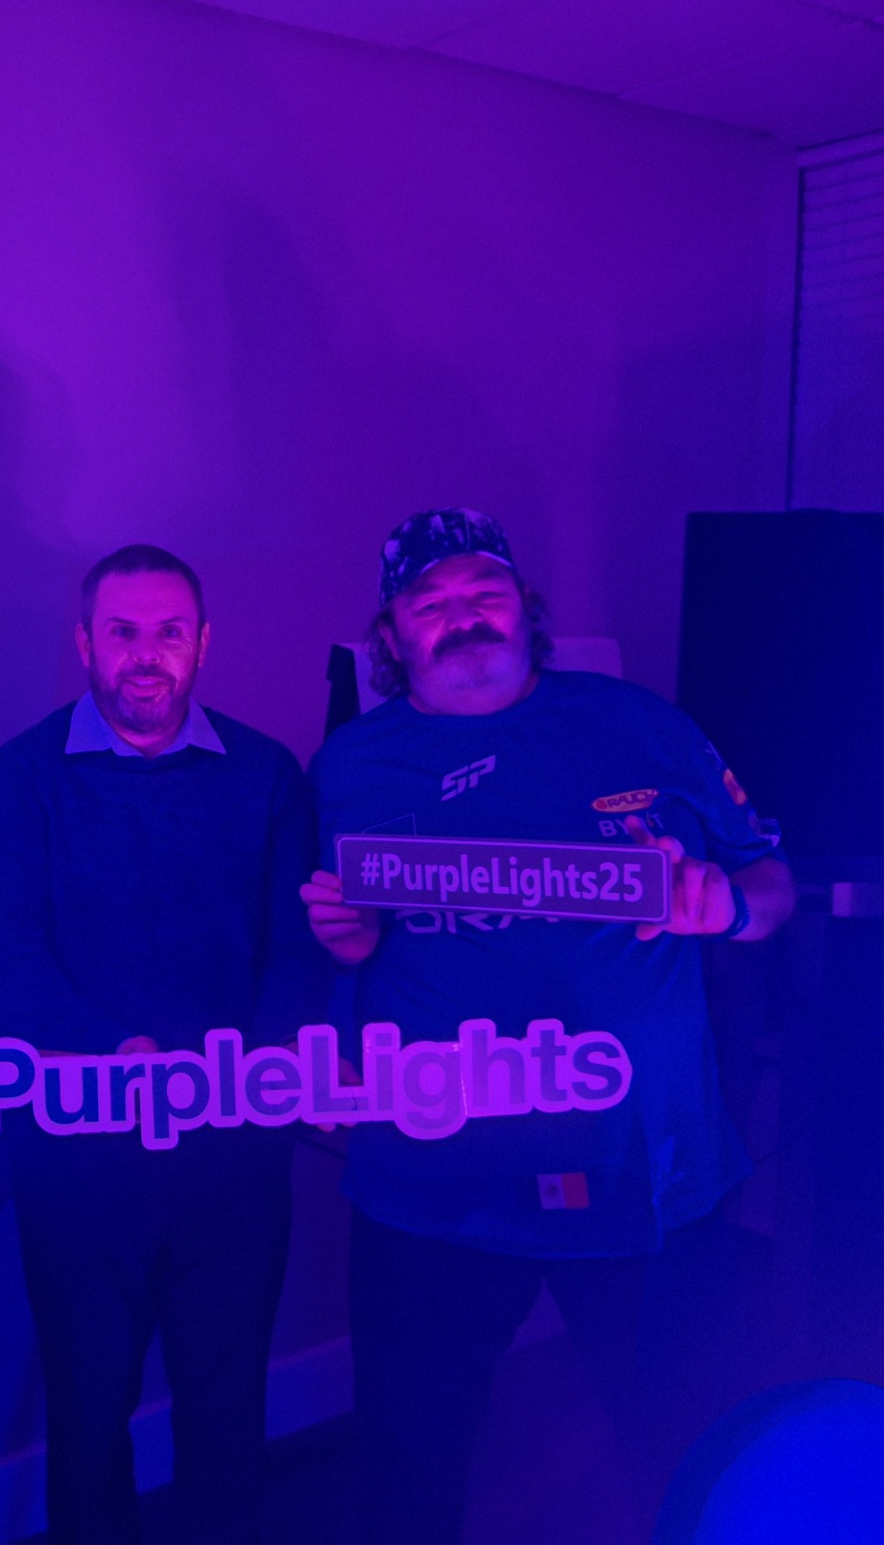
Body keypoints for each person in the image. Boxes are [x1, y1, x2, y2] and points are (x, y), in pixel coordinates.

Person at [300, 508, 796, 1544]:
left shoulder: (644, 726)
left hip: (643, 1174)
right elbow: (335, 948)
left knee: (686, 1457)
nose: (461, 617)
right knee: (407, 1471)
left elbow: (772, 883)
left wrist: (726, 906)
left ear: (525, 609)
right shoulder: (347, 768)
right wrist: (343, 955)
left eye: (482, 593)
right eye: (429, 603)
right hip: (433, 1183)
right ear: (390, 636)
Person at [0, 544, 329, 1545]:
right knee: (88, 1422)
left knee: (227, 1414)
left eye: (169, 632)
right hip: (78, 1163)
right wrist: (115, 1056)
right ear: (86, 644)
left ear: (201, 644)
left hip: (234, 1163)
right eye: (122, 632)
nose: (146, 654)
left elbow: (295, 953)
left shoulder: (267, 775)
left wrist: (250, 1077)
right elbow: (9, 963)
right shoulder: (25, 778)